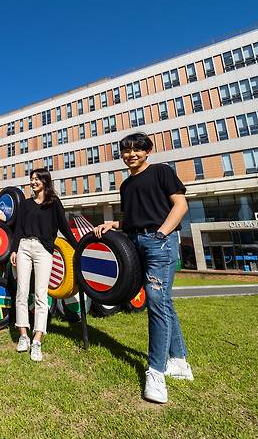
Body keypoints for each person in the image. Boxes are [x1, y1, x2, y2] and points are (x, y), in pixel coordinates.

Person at [93, 132, 191, 404]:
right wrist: (114, 224)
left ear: (148, 150)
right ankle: (180, 362)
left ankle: (156, 373)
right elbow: (134, 219)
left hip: (161, 242)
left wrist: (161, 234)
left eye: (137, 149)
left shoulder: (161, 172)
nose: (131, 155)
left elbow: (181, 205)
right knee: (163, 302)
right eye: (126, 151)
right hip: (136, 242)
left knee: (157, 300)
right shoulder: (125, 185)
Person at [9, 168, 77, 362]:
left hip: (43, 250)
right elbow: (18, 229)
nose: (33, 181)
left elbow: (64, 226)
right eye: (31, 179)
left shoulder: (54, 203)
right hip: (24, 247)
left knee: (40, 294)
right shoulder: (25, 204)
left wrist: (78, 247)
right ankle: (23, 336)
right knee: (22, 292)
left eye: (37, 178)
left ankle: (37, 339)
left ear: (46, 181)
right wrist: (14, 250)